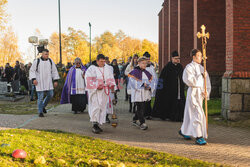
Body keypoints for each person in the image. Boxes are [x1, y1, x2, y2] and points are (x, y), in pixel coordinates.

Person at [179, 49, 211, 145]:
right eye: (199, 56)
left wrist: (206, 91)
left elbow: (207, 82)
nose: (201, 58)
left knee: (190, 114)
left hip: (200, 94)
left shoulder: (202, 68)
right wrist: (200, 77)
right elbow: (188, 80)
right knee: (197, 114)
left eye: (201, 56)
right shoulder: (189, 67)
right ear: (193, 57)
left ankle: (183, 130)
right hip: (193, 92)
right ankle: (198, 136)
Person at [85, 54, 116, 134]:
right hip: (95, 92)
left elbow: (110, 77)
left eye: (104, 61)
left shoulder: (107, 68)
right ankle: (94, 124)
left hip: (104, 91)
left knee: (102, 107)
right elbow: (88, 80)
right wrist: (96, 86)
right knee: (96, 107)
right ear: (97, 60)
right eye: (101, 61)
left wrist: (112, 86)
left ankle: (98, 124)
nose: (103, 63)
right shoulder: (91, 69)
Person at [152, 51, 186, 122]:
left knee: (179, 103)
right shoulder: (167, 67)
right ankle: (170, 116)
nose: (177, 60)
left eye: (178, 58)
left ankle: (179, 117)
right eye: (176, 58)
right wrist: (160, 89)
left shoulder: (180, 67)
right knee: (170, 103)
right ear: (172, 58)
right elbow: (162, 78)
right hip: (169, 91)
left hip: (179, 90)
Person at [29, 49, 60, 117]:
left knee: (51, 94)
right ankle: (40, 112)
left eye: (48, 54)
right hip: (39, 82)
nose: (47, 55)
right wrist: (34, 79)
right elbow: (32, 70)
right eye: (46, 54)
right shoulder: (37, 61)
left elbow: (54, 71)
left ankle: (43, 106)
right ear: (42, 54)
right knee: (40, 97)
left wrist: (55, 80)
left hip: (48, 81)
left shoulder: (50, 61)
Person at [128, 57, 154, 130]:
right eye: (143, 63)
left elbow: (152, 81)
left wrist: (150, 87)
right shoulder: (134, 72)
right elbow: (133, 83)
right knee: (140, 108)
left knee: (142, 108)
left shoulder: (147, 72)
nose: (144, 65)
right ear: (138, 63)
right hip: (138, 93)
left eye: (145, 63)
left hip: (145, 93)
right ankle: (142, 123)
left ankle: (134, 119)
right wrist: (143, 85)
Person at [143, 52, 158, 120]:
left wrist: (152, 86)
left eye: (149, 59)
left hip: (150, 87)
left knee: (148, 101)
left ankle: (148, 114)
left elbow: (154, 78)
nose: (148, 60)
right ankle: (143, 114)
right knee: (143, 101)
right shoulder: (141, 67)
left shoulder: (152, 67)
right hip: (142, 87)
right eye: (146, 59)